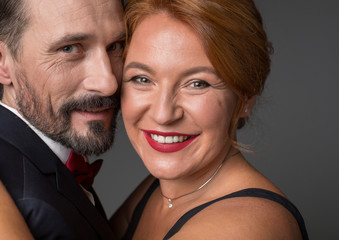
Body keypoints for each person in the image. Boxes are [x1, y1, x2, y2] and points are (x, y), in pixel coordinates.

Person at [110, 0, 308, 239]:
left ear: (245, 97)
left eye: (197, 84)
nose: (163, 114)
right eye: (142, 79)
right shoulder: (159, 188)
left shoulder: (242, 229)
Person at [0, 0, 125, 238]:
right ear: (2, 61)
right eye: (69, 48)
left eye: (116, 46)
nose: (108, 83)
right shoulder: (24, 203)